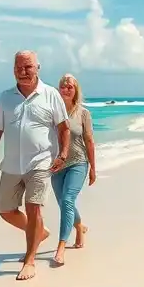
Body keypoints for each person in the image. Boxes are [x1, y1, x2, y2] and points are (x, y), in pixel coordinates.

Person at [0, 50, 70, 281]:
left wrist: (63, 154)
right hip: (11, 164)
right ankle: (39, 232)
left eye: (28, 67)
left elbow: (63, 127)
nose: (22, 71)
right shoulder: (6, 98)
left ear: (38, 67)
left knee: (34, 207)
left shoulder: (50, 95)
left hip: (40, 162)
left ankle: (30, 261)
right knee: (6, 211)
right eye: (18, 67)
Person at [50, 73, 96, 267]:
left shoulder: (83, 113)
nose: (66, 89)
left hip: (78, 162)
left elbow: (89, 141)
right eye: (63, 86)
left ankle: (61, 247)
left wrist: (93, 168)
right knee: (63, 204)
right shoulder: (51, 112)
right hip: (56, 165)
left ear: (76, 90)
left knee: (68, 200)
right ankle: (79, 227)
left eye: (70, 86)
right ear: (59, 89)